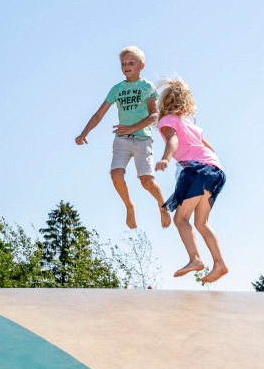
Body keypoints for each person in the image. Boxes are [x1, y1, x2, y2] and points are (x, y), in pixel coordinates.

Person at [75, 46, 171, 229]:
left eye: (131, 63)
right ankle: (129, 206)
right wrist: (84, 133)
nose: (126, 66)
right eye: (123, 63)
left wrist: (131, 128)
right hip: (122, 140)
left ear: (141, 66)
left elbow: (154, 116)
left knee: (147, 182)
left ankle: (163, 205)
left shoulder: (146, 86)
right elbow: (99, 114)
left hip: (142, 139)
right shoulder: (117, 89)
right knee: (116, 175)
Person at [154, 77, 228, 283]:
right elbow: (209, 149)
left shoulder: (167, 121)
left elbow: (173, 140)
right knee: (201, 222)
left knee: (180, 219)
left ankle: (195, 259)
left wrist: (166, 158)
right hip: (216, 171)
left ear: (164, 104)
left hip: (197, 170)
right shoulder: (192, 125)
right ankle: (220, 264)